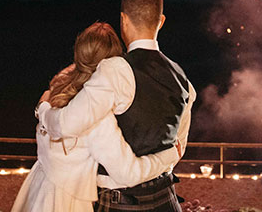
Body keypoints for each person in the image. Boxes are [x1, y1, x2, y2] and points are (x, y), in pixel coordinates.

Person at [39, 0, 195, 212]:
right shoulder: (182, 78)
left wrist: (43, 109)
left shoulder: (115, 70)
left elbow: (66, 125)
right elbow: (178, 146)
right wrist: (167, 158)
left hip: (122, 203)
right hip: (167, 201)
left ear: (123, 20)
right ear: (160, 21)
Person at [11, 22, 181, 212]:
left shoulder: (56, 92)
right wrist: (170, 155)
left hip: (39, 190)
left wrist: (41, 108)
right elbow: (129, 174)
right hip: (70, 203)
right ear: (114, 61)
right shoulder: (96, 118)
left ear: (79, 54)